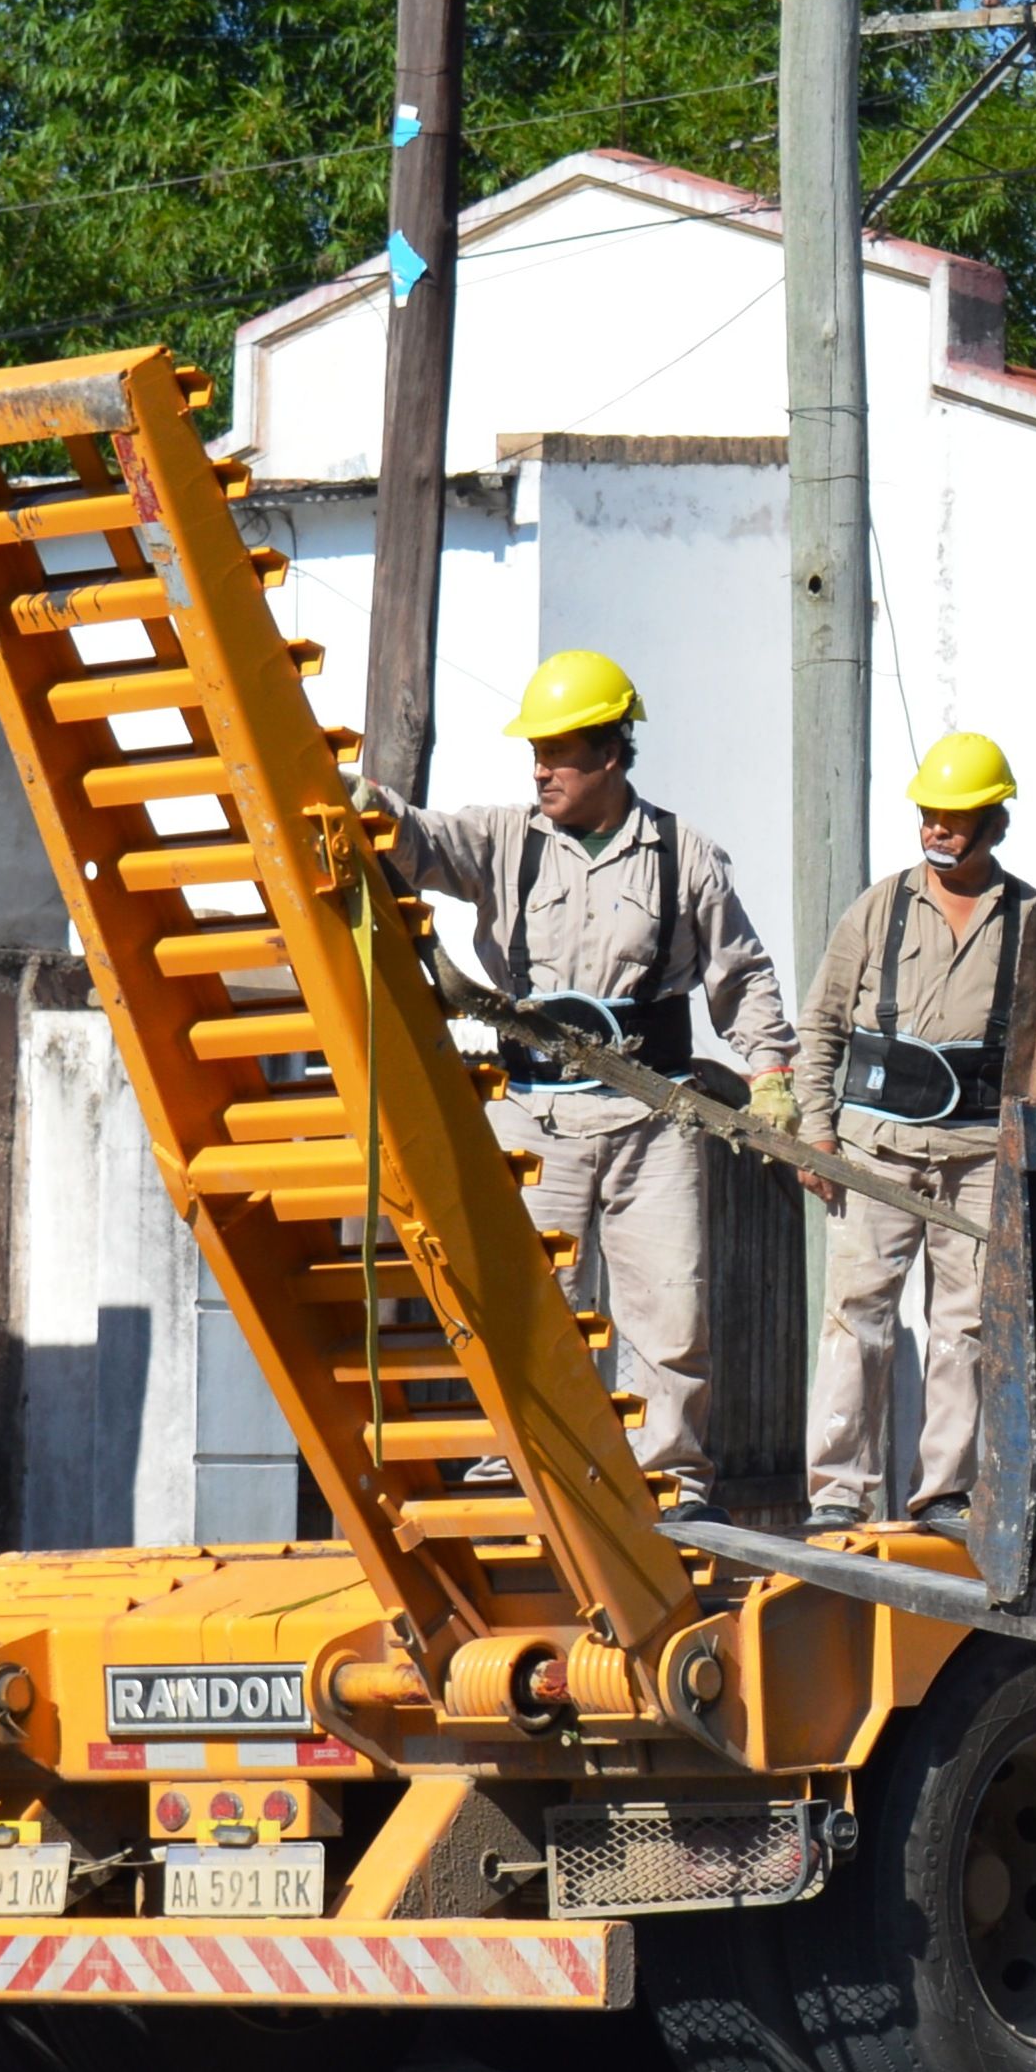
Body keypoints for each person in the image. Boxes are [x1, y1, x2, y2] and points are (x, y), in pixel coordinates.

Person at [389, 645, 792, 1516]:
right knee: (529, 1304)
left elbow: (740, 974)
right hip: (535, 1116)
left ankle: (671, 1477)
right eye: (534, 752)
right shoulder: (502, 840)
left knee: (668, 1310)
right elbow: (415, 840)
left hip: (652, 1116)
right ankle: (525, 1464)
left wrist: (772, 1074)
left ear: (609, 753)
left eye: (558, 751)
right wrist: (361, 803)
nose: (540, 769)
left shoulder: (684, 855)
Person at [794, 728, 1036, 1534]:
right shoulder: (881, 907)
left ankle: (945, 1494)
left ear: (994, 823)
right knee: (856, 1316)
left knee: (964, 1326)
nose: (936, 828)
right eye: (929, 812)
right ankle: (836, 1491)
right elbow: (822, 1024)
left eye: (954, 816)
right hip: (875, 1151)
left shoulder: (1032, 918)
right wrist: (815, 1132)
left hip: (975, 1159)